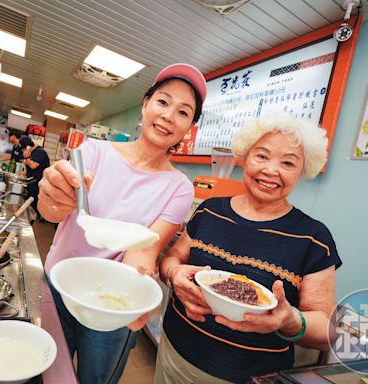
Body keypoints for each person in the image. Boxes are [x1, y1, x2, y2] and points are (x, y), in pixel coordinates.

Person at [38, 63, 207, 384]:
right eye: (163, 101)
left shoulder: (179, 187)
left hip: (113, 302)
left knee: (97, 379)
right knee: (48, 371)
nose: (169, 115)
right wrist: (50, 196)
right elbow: (54, 211)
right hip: (58, 285)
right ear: (145, 105)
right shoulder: (94, 153)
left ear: (189, 128)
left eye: (184, 112)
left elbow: (146, 249)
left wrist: (139, 286)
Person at [155, 115, 342, 383]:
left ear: (302, 172)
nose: (271, 170)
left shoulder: (313, 238)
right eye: (262, 156)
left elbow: (327, 331)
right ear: (245, 157)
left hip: (250, 376)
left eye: (288, 162)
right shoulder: (210, 211)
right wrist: (173, 273)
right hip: (175, 351)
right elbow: (172, 258)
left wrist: (288, 320)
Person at [20, 136, 50, 215]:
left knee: (32, 207)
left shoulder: (40, 152)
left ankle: (30, 222)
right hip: (31, 182)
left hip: (37, 184)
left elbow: (33, 166)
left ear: (28, 147)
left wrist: (27, 157)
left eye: (23, 149)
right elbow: (28, 169)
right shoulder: (33, 153)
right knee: (28, 205)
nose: (23, 151)